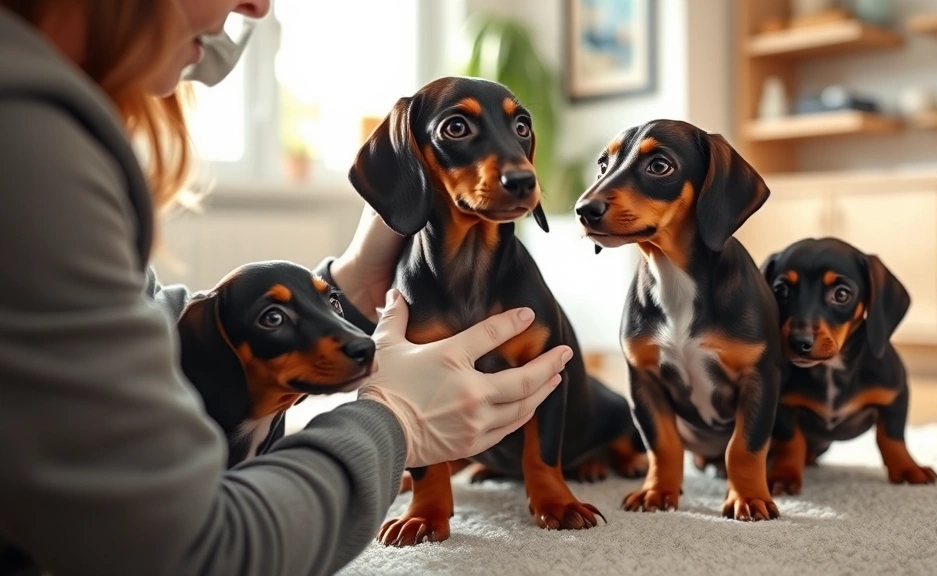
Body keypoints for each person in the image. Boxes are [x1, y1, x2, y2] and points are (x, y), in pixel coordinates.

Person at [0, 1, 573, 575]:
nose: (257, 6)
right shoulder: (28, 141)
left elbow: (129, 320)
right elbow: (196, 552)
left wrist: (349, 285)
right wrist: (396, 423)